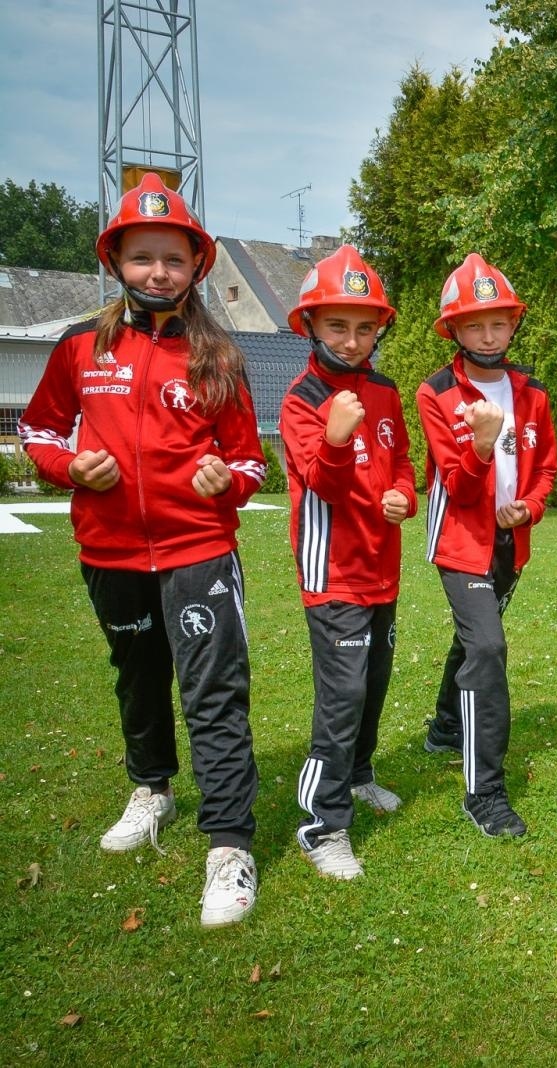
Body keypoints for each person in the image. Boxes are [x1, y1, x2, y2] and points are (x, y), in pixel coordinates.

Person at [19, 172, 266, 926]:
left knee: (213, 693)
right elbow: (38, 431)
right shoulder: (76, 350)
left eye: (172, 258)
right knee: (137, 678)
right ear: (115, 262)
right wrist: (67, 467)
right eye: (141, 257)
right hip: (111, 555)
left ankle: (230, 846)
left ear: (197, 266)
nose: (157, 271)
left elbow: (252, 462)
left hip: (198, 552)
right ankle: (152, 789)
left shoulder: (219, 357)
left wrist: (225, 481)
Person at [280, 245, 415, 878]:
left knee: (374, 683)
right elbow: (322, 482)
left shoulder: (385, 392)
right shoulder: (301, 397)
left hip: (382, 568)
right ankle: (321, 825)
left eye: (366, 327)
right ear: (309, 324)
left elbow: (405, 465)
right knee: (341, 698)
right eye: (338, 325)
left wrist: (403, 498)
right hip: (330, 573)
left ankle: (358, 776)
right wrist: (335, 437)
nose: (354, 340)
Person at [416, 253, 557, 837]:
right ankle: (485, 793)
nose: (488, 334)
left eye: (498, 322)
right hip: (458, 541)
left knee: (472, 639)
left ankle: (445, 725)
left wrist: (532, 506)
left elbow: (546, 468)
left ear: (514, 324)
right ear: (453, 329)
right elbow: (457, 482)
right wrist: (480, 444)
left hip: (509, 545)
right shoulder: (437, 393)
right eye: (474, 324)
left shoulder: (534, 392)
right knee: (489, 649)